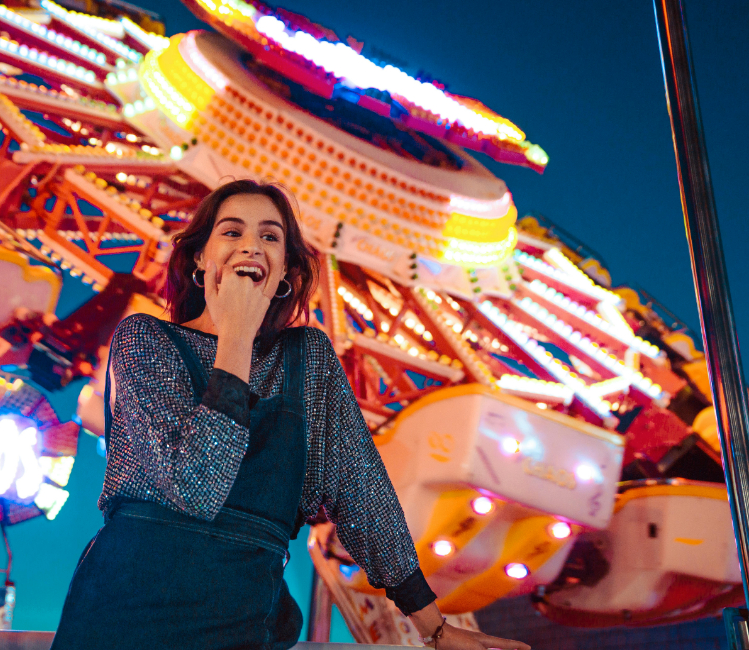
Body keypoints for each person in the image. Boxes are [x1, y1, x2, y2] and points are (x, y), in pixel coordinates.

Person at [49, 179, 530, 650]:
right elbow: (196, 486)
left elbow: (364, 496)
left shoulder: (307, 358)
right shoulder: (146, 339)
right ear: (200, 256)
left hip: (244, 614)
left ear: (284, 271)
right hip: (122, 606)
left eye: (270, 237)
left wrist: (436, 628)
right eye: (232, 232)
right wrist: (235, 334)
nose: (251, 246)